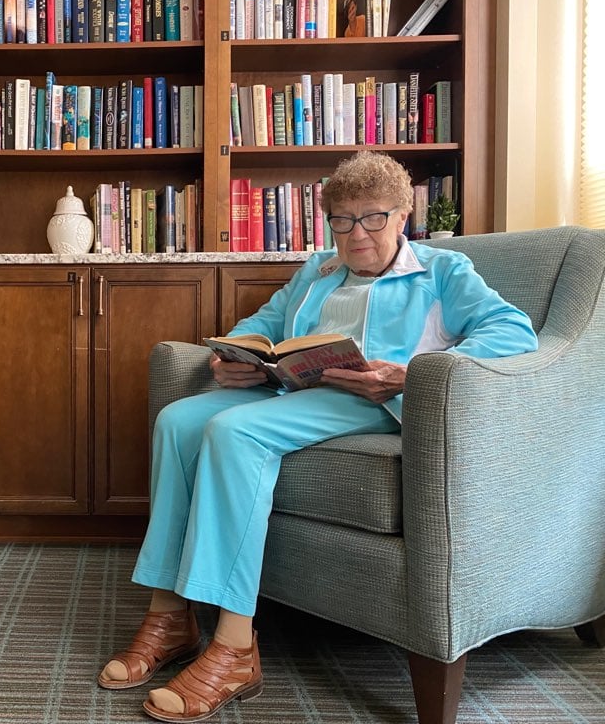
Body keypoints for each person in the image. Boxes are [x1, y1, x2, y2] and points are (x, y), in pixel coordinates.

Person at [97, 151, 539, 723]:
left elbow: (514, 331)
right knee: (178, 421)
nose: (357, 234)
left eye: (373, 218)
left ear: (402, 215)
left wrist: (411, 372)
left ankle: (233, 646)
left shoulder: (444, 270)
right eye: (343, 220)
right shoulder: (318, 271)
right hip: (296, 391)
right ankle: (170, 615)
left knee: (234, 433)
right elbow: (265, 323)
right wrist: (235, 355)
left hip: (374, 402)